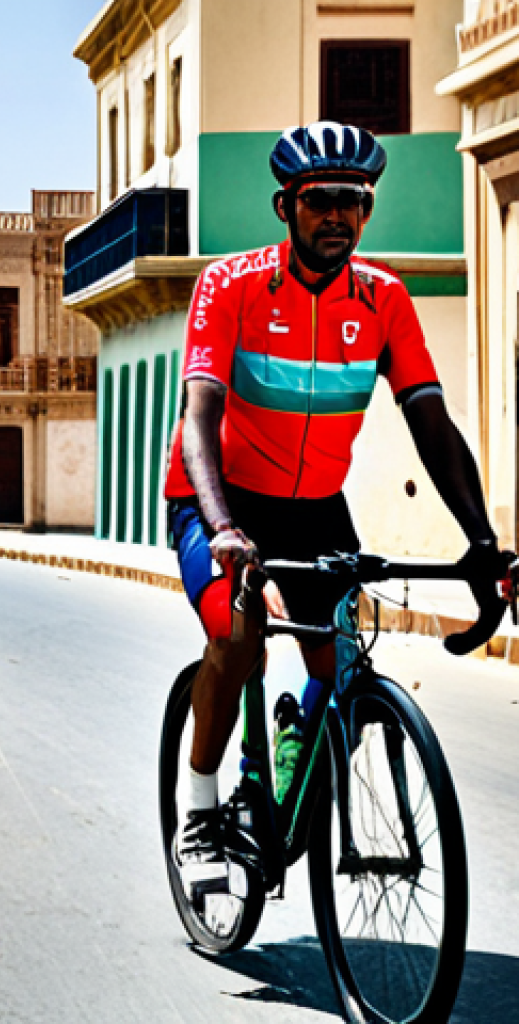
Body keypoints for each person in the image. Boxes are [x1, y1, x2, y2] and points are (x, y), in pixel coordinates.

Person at [165, 120, 510, 885]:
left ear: (368, 212)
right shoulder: (232, 286)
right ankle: (199, 810)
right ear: (285, 206)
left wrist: (482, 543)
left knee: (344, 670)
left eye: (353, 202)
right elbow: (200, 416)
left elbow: (430, 423)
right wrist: (222, 526)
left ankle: (279, 758)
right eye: (319, 200)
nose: (337, 216)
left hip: (315, 503)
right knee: (237, 634)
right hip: (218, 497)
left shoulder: (384, 299)